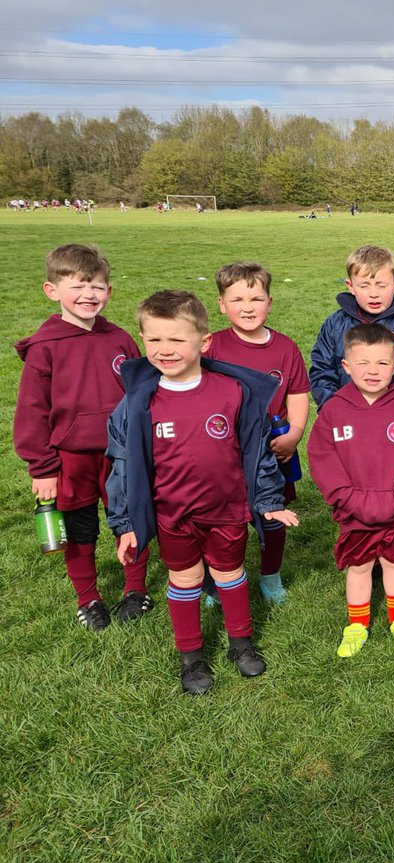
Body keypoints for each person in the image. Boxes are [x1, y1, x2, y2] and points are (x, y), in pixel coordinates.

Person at [106, 291, 299, 694]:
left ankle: (241, 643)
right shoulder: (137, 403)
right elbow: (122, 467)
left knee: (229, 573)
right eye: (155, 339)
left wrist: (267, 500)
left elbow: (257, 452)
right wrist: (126, 523)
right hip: (173, 515)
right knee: (186, 578)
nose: (165, 349)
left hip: (226, 511)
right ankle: (191, 657)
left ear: (204, 342)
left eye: (177, 339)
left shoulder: (233, 393)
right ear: (142, 339)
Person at [13, 244, 152, 630]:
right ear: (52, 290)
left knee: (130, 521)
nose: (89, 295)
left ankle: (135, 589)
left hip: (121, 455)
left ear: (109, 291)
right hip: (70, 458)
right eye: (78, 285)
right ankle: (88, 598)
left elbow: (141, 397)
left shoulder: (120, 339)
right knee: (80, 529)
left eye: (98, 286)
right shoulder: (45, 348)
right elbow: (31, 411)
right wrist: (41, 467)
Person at [307, 323, 394, 657]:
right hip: (353, 510)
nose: (372, 371)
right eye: (363, 363)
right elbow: (322, 457)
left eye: (380, 363)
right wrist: (344, 498)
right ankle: (357, 624)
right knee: (359, 567)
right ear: (346, 366)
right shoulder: (334, 410)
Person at [205, 262, 309, 603]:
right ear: (221, 304)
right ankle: (220, 580)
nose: (247, 307)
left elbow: (296, 393)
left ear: (270, 301)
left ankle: (270, 576)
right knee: (224, 519)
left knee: (273, 517)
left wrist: (294, 433)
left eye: (256, 298)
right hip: (224, 452)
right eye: (237, 299)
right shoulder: (211, 348)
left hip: (273, 450)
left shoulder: (286, 347)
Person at [309, 244, 394, 411]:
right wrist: (334, 411)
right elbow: (322, 371)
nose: (374, 293)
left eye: (381, 285)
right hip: (346, 417)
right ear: (350, 286)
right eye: (364, 286)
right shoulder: (335, 324)